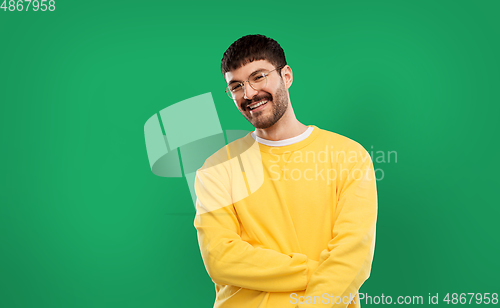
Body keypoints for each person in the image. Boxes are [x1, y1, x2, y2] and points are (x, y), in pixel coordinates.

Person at [193, 34, 378, 308]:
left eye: (258, 77)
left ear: (286, 75)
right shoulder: (217, 168)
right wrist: (315, 271)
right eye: (236, 86)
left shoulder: (349, 156)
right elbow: (220, 258)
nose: (249, 94)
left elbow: (353, 255)